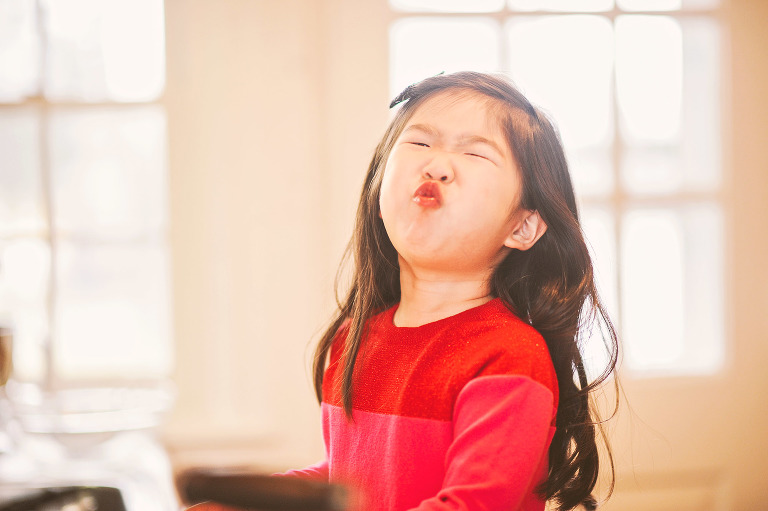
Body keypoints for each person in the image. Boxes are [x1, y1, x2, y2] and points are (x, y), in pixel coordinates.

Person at [280, 71, 619, 511]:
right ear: (379, 191)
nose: (436, 165)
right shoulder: (354, 339)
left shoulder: (509, 357)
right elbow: (350, 478)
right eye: (420, 143)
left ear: (522, 226)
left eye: (475, 153)